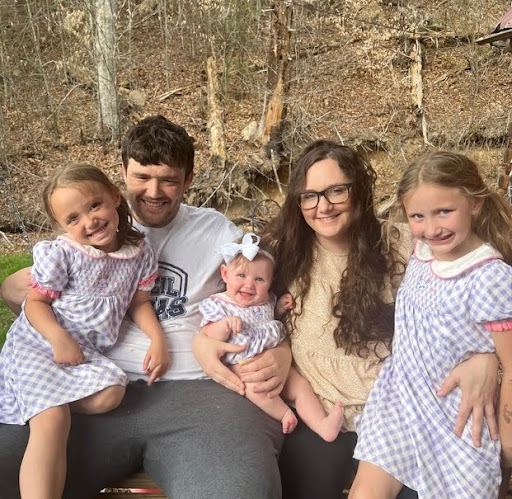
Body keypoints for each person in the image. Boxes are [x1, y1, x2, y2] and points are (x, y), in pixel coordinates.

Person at [0, 115, 288, 498]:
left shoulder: (217, 232)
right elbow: (27, 291)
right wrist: (11, 289)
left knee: (237, 490)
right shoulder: (85, 231)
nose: (154, 191)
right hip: (86, 383)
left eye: (169, 179)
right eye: (141, 177)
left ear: (188, 179)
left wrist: (282, 351)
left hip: (200, 395)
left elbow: (266, 292)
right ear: (122, 175)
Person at [193, 139, 500, 499]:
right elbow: (242, 309)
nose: (322, 206)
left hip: (401, 413)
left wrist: (488, 358)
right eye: (309, 196)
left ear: (359, 189)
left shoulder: (404, 243)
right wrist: (217, 346)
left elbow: (483, 293)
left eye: (335, 191)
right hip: (318, 414)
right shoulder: (282, 256)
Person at [349, 151, 512, 499]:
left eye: (444, 211)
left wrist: (508, 453)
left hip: (459, 416)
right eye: (418, 216)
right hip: (400, 398)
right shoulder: (419, 251)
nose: (432, 228)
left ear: (476, 205)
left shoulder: (489, 277)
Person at [0, 162, 169, 498]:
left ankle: (35, 397)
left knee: (112, 394)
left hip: (84, 352)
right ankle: (44, 406)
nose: (89, 221)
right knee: (53, 421)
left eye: (94, 205)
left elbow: (138, 304)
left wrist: (158, 338)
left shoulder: (138, 253)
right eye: (73, 219)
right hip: (40, 342)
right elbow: (35, 304)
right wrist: (58, 338)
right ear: (62, 227)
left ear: (114, 196)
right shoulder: (64, 253)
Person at [200, 232, 344, 441]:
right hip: (242, 364)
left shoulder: (265, 300)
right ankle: (284, 412)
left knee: (301, 385)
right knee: (255, 389)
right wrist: (225, 325)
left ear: (270, 282)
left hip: (276, 360)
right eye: (241, 276)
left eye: (259, 279)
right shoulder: (218, 303)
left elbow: (267, 320)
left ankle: (323, 426)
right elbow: (209, 335)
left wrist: (278, 309)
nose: (249, 285)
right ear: (225, 274)